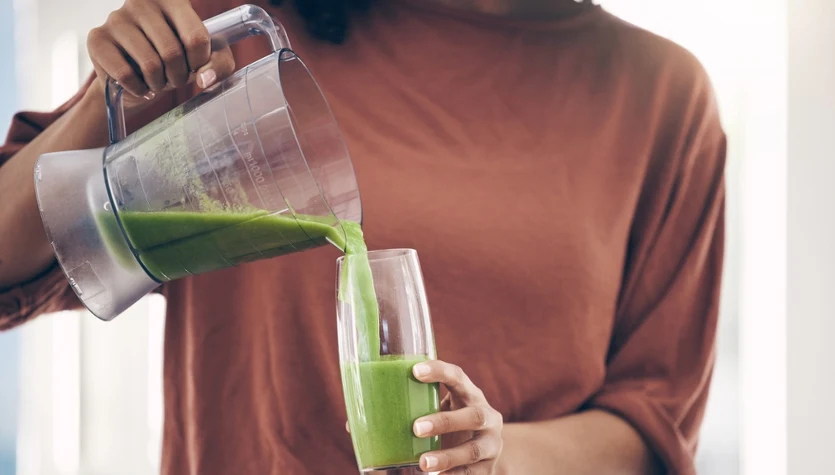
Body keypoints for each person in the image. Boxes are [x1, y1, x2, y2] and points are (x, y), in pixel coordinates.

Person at [0, 0, 725, 473]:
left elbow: (649, 428)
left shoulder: (660, 94)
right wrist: (111, 99)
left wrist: (493, 455)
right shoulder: (233, 36)